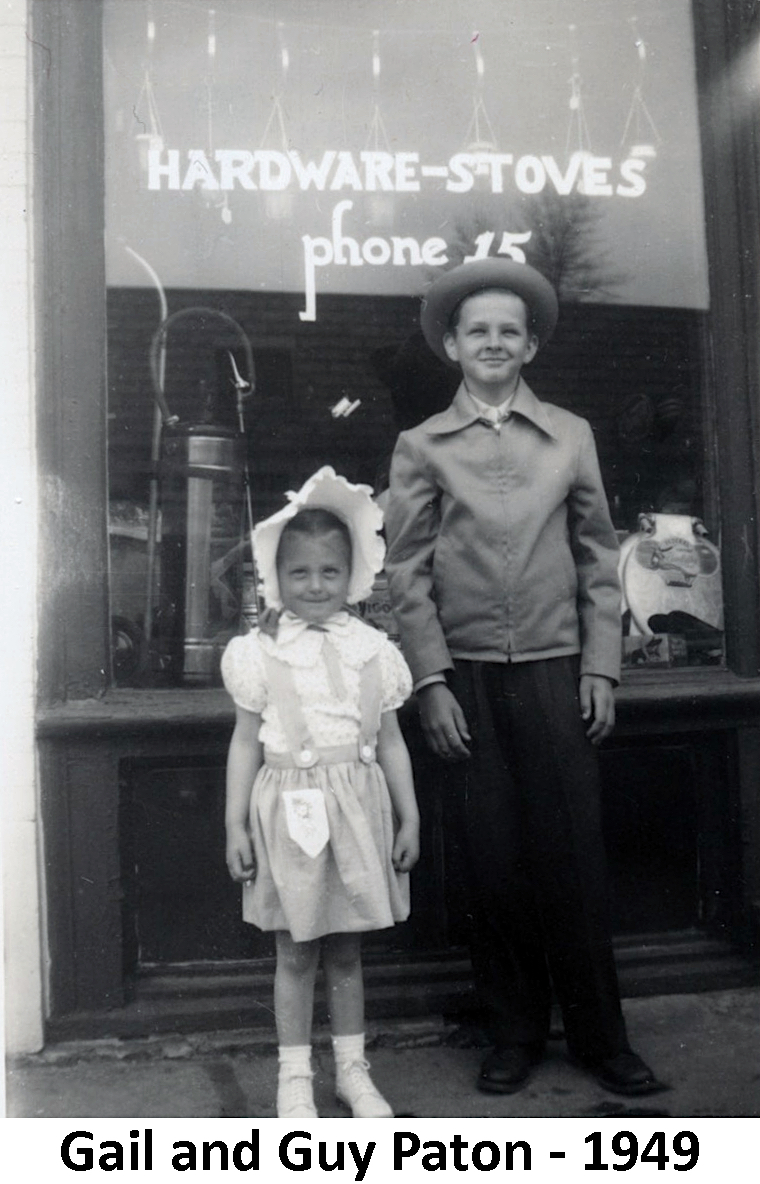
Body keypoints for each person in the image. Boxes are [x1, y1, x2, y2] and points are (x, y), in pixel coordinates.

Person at [384, 257, 665, 1098]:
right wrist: (431, 682)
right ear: (452, 346)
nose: (494, 343)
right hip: (465, 682)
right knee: (493, 861)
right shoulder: (421, 446)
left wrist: (603, 668)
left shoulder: (570, 436)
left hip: (556, 675)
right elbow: (405, 574)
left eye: (510, 330)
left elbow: (597, 557)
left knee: (572, 859)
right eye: (478, 331)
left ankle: (599, 1039)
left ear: (531, 344)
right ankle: (511, 1032)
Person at [222, 466, 420, 1119]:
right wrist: (235, 825)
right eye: (299, 573)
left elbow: (390, 741)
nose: (314, 585)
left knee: (346, 950)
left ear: (354, 575)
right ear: (276, 578)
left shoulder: (374, 650)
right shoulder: (259, 653)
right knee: (295, 949)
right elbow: (246, 742)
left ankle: (352, 1071)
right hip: (289, 812)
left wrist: (409, 817)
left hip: (358, 810)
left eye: (329, 573)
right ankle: (294, 1076)